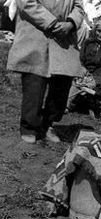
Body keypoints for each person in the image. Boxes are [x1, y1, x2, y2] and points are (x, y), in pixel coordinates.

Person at [6, 0, 85, 144]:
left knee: (61, 86)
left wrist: (70, 24)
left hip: (64, 38)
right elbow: (26, 3)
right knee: (34, 84)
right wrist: (52, 23)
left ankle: (48, 124)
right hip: (36, 33)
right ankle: (29, 127)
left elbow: (79, 7)